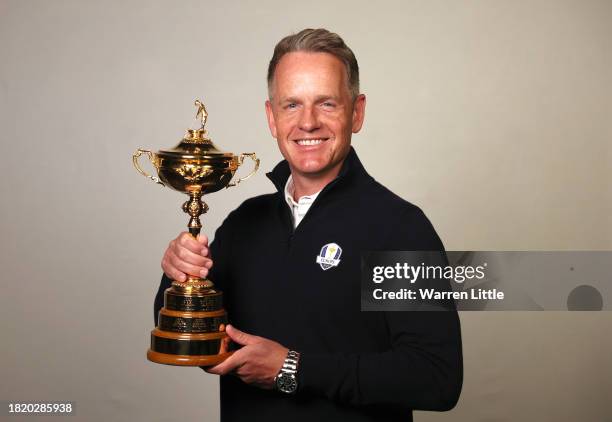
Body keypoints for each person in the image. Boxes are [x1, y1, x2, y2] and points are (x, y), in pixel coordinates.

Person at [155, 28, 462, 422]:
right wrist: (177, 275)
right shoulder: (244, 223)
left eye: (327, 103)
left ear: (358, 111)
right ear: (271, 117)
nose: (308, 122)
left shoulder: (399, 228)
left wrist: (292, 369)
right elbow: (189, 339)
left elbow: (438, 378)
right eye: (291, 105)